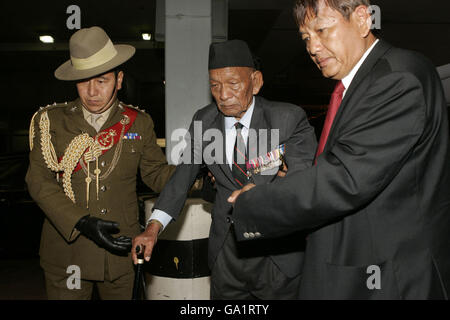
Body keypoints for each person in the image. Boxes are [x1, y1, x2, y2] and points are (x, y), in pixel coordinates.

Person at [229, 0, 450, 299]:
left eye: (321, 30)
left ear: (362, 19)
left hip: (390, 277)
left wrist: (253, 202)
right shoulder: (361, 84)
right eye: (306, 38)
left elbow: (346, 178)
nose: (313, 47)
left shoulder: (397, 78)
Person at [132, 39, 317, 299]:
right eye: (215, 86)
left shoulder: (286, 118)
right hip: (227, 255)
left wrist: (265, 193)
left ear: (256, 81)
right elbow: (182, 177)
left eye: (233, 84)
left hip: (276, 253)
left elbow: (304, 177)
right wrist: (153, 228)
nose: (224, 95)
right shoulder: (204, 121)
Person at [25, 26, 175, 300]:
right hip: (67, 250)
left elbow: (156, 174)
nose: (92, 92)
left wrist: (198, 174)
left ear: (119, 80)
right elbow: (38, 181)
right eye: (84, 82)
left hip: (120, 252)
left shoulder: (138, 122)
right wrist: (80, 222)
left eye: (102, 81)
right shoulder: (51, 122)